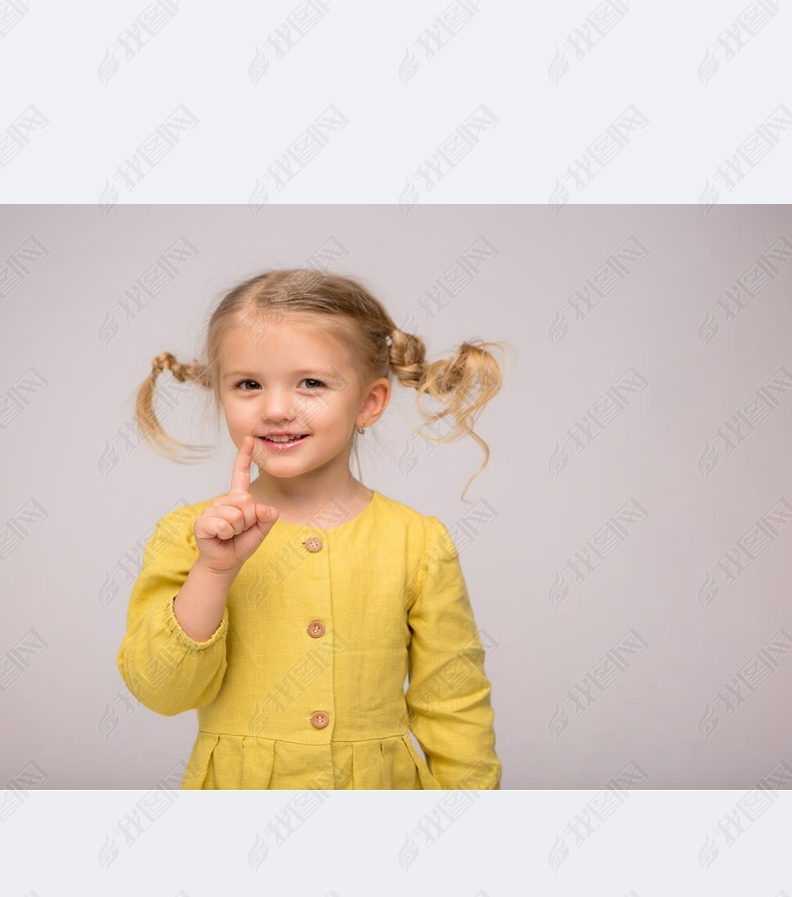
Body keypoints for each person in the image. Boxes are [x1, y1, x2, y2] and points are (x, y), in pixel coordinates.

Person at [116, 268, 508, 790]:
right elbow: (161, 690)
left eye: (311, 383)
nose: (277, 409)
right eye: (249, 384)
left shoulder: (417, 542)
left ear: (369, 403)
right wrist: (213, 570)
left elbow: (455, 703)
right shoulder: (191, 535)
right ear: (222, 398)